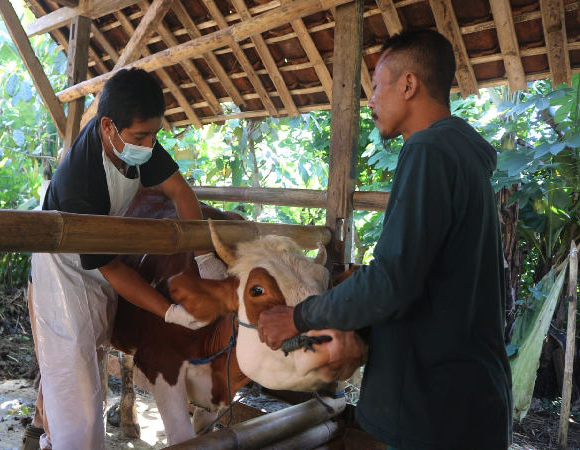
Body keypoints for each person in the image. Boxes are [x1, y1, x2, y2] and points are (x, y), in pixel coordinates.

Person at [258, 29, 512, 449]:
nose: (371, 100)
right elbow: (430, 283)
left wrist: (300, 316)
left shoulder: (427, 150)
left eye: (376, 86)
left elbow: (393, 281)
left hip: (431, 413)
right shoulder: (464, 155)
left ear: (408, 84)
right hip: (471, 401)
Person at [30, 68, 225, 449]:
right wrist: (169, 312)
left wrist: (204, 258)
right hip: (63, 267)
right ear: (108, 127)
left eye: (154, 135)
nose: (150, 145)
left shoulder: (135, 144)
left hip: (102, 251)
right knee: (74, 382)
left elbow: (181, 194)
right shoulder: (79, 182)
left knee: (95, 367)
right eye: (141, 136)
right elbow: (114, 269)